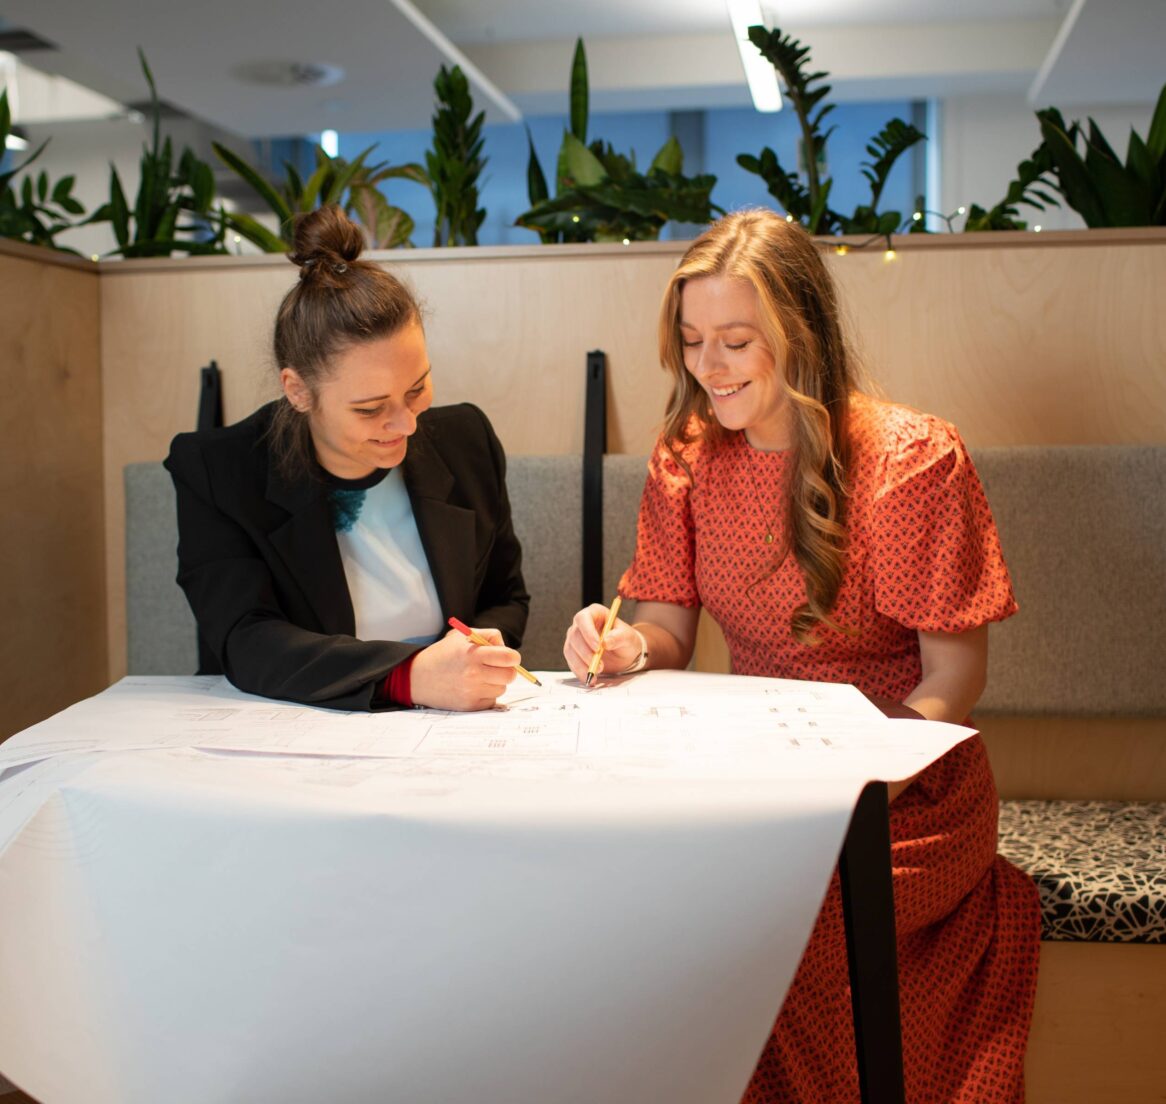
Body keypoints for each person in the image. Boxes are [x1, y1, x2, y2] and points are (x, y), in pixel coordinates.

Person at [563, 209, 1040, 1103]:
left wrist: (852, 782)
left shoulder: (907, 464)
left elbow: (955, 681)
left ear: (802, 334)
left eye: (736, 342)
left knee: (769, 924)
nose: (709, 368)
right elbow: (667, 631)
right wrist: (625, 643)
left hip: (904, 792)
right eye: (693, 341)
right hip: (760, 779)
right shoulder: (688, 458)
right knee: (638, 901)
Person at [166, 205, 529, 712]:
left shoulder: (465, 441)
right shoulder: (220, 471)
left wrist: (482, 653)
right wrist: (408, 677)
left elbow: (506, 597)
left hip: (452, 725)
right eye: (370, 408)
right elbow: (247, 641)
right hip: (293, 727)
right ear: (298, 390)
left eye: (417, 388)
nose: (406, 424)